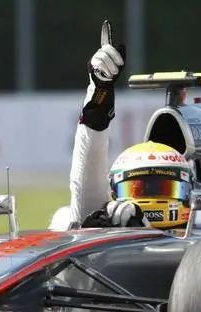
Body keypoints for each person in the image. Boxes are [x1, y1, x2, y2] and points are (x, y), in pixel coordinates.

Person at [49, 23, 193, 231]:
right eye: (136, 189)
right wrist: (99, 95)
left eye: (164, 187)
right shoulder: (100, 226)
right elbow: (87, 191)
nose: (150, 197)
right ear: (113, 192)